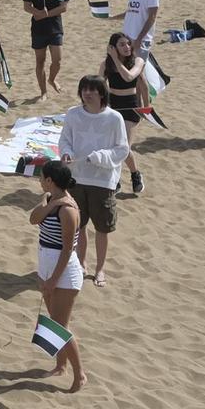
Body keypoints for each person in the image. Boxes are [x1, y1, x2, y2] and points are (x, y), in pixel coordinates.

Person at [57, 75, 129, 286]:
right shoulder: (73, 114)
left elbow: (122, 149)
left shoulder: (114, 118)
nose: (87, 93)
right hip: (76, 178)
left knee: (102, 228)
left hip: (103, 181)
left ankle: (100, 269)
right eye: (84, 89)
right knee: (79, 226)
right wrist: (67, 152)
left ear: (101, 93)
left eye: (92, 89)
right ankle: (81, 264)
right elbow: (65, 139)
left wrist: (100, 157)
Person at [29, 160, 87, 392]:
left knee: (60, 327)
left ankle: (79, 374)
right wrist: (47, 202)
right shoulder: (52, 201)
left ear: (50, 181)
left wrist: (52, 280)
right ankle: (60, 365)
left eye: (42, 177)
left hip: (63, 274)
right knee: (55, 323)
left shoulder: (68, 210)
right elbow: (33, 219)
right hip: (47, 268)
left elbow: (67, 250)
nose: (40, 181)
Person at [103, 32, 151, 195]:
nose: (127, 47)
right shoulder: (106, 65)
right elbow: (99, 86)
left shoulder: (138, 61)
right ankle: (116, 180)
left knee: (123, 147)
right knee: (113, 145)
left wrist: (147, 107)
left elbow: (132, 78)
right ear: (113, 48)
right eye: (122, 45)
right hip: (113, 107)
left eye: (128, 44)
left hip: (131, 107)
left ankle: (135, 175)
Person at [23, 0, 68, 98]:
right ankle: (43, 92)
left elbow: (64, 7)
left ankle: (52, 79)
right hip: (38, 29)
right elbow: (26, 5)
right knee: (40, 60)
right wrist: (37, 12)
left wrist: (46, 14)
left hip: (55, 27)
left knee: (57, 60)